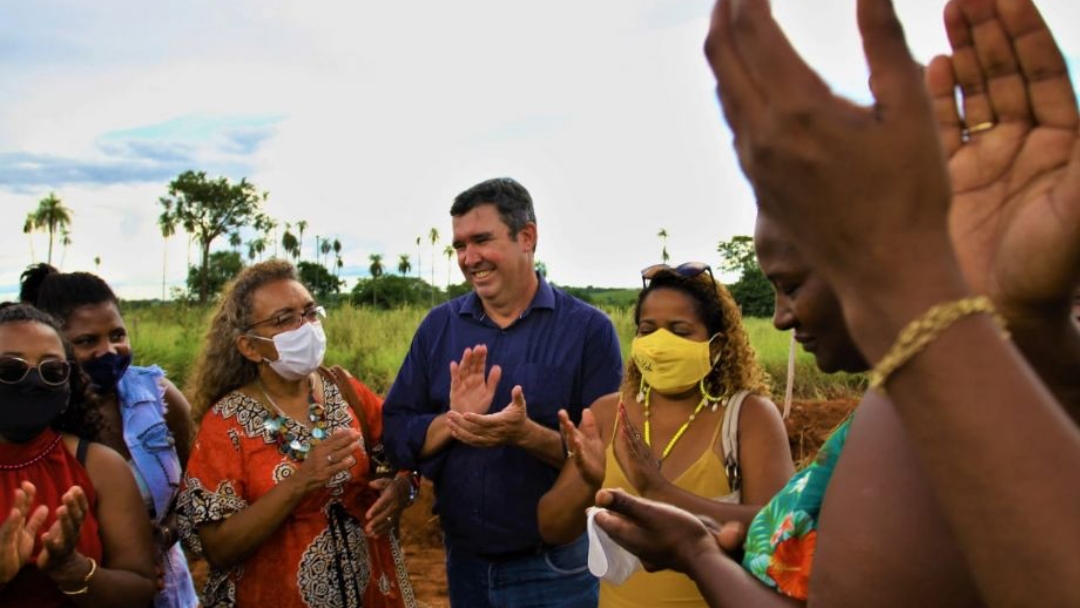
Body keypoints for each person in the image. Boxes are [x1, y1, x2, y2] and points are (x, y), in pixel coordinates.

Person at [592, 0, 1080, 606]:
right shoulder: (938, 388)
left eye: (794, 286)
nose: (784, 316)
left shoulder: (924, 398)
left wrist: (695, 553)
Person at [382, 177, 624, 607]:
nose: (469, 258)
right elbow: (396, 432)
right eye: (459, 246)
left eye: (481, 240)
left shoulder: (589, 331)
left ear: (526, 237)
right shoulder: (439, 328)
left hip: (555, 570)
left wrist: (524, 434)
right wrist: (451, 423)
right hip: (464, 566)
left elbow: (605, 460)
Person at [537, 261, 793, 607]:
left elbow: (780, 533)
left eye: (680, 331)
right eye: (648, 329)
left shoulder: (748, 417)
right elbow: (552, 529)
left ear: (715, 347)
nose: (660, 343)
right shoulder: (608, 413)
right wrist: (587, 480)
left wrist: (658, 490)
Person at [176, 260, 417, 608]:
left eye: (309, 312)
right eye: (283, 319)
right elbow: (217, 548)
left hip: (367, 593)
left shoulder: (344, 389)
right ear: (250, 347)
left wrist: (402, 488)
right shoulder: (226, 424)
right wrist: (302, 481)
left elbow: (403, 452)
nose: (304, 327)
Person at [19, 264, 197, 608]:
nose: (109, 351)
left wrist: (159, 540)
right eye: (87, 341)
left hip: (170, 590)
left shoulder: (159, 398)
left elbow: (200, 490)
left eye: (117, 335)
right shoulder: (38, 418)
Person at [0, 302, 158, 607]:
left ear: (67, 386)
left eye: (52, 370)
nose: (33, 383)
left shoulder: (100, 467)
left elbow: (141, 586)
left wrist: (74, 570)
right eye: (10, 369)